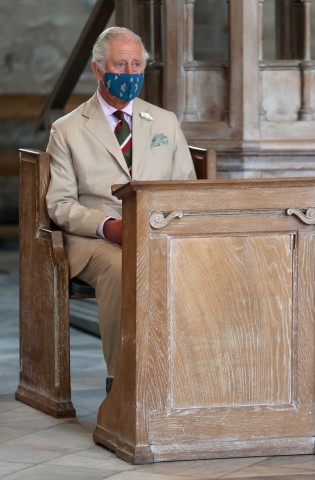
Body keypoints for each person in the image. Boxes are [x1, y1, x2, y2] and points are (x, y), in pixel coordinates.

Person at [46, 26, 196, 393]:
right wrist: (107, 227)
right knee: (122, 267)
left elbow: (187, 189)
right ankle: (123, 379)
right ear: (99, 70)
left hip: (158, 231)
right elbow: (60, 203)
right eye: (120, 65)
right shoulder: (66, 130)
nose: (129, 74)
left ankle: (186, 374)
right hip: (96, 239)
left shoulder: (164, 122)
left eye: (136, 65)